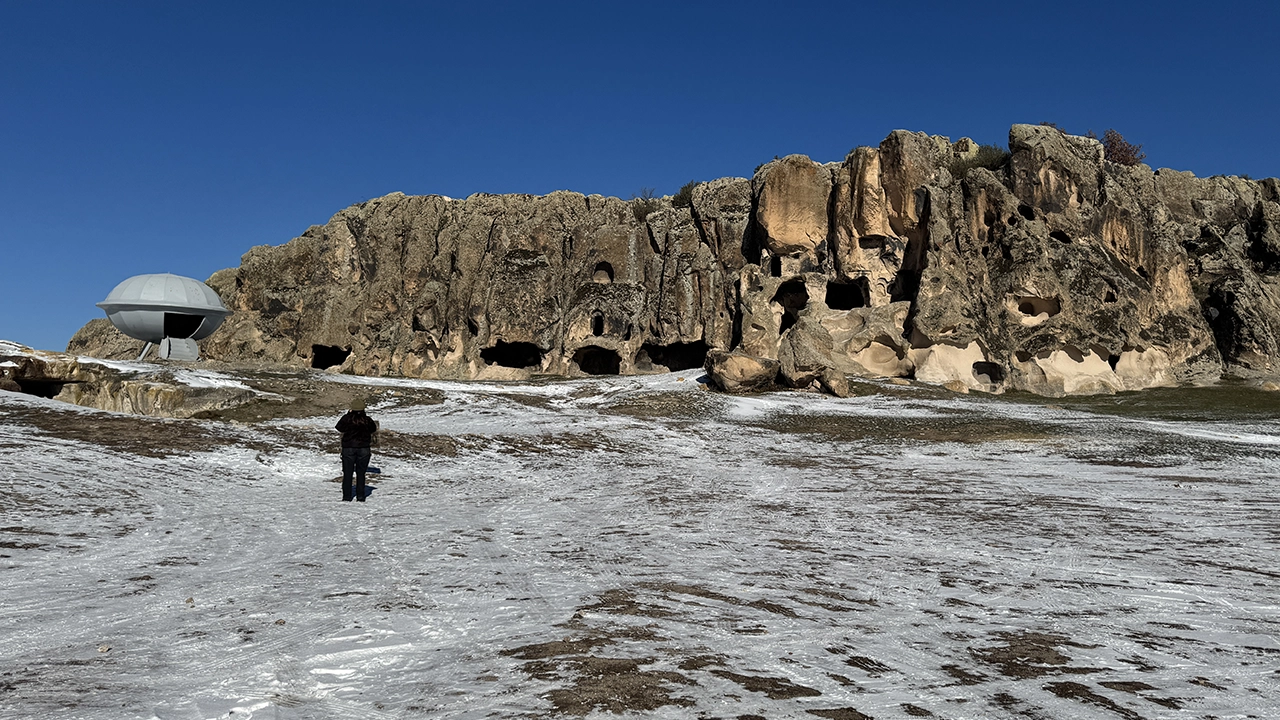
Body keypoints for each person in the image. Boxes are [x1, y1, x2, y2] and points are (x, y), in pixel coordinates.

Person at [336, 398, 378, 501]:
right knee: (361, 474)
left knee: (347, 473)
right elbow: (373, 429)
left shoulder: (347, 418)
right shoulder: (367, 420)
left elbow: (339, 428)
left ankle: (347, 496)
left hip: (348, 448)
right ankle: (360, 496)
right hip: (364, 448)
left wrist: (348, 414)